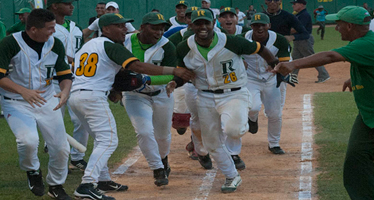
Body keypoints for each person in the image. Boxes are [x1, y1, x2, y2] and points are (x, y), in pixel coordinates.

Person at [70, 13, 194, 199]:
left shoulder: (88, 45)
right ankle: (87, 183)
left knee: (99, 139)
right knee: (109, 140)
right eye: (118, 26)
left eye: (124, 25)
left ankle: (103, 179)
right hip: (94, 97)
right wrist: (174, 70)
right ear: (105, 29)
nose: (124, 29)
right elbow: (138, 67)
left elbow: (102, 72)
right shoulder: (111, 45)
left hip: (77, 96)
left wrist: (114, 88)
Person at [168, 9, 279, 193]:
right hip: (205, 95)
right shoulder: (184, 47)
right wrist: (175, 81)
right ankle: (231, 175)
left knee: (233, 130)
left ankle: (248, 116)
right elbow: (184, 73)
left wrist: (275, 63)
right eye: (198, 23)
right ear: (191, 25)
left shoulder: (231, 41)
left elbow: (259, 48)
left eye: (206, 22)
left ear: (213, 23)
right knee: (211, 143)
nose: (202, 27)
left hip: (233, 93)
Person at [274, 6, 374, 200]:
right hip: (368, 115)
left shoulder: (365, 44)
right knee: (357, 160)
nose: (336, 28)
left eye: (339, 24)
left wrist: (294, 64)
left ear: (350, 26)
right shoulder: (365, 42)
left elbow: (330, 56)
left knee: (358, 162)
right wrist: (355, 78)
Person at [0, 9, 72, 199]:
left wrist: (65, 91)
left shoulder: (55, 43)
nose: (54, 31)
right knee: (28, 141)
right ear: (33, 29)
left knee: (60, 147)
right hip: (16, 101)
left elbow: (65, 75)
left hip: (47, 100)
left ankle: (56, 185)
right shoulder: (10, 42)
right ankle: (33, 170)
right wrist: (23, 91)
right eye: (50, 28)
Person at [122, 12, 177, 186]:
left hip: (161, 94)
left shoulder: (167, 46)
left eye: (162, 29)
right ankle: (157, 169)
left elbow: (171, 74)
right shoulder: (126, 42)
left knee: (163, 135)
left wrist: (147, 79)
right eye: (154, 28)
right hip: (134, 95)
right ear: (142, 27)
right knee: (144, 131)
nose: (159, 32)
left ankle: (163, 158)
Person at [46, 0, 87, 172]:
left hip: (76, 80)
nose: (72, 6)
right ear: (54, 5)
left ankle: (77, 158)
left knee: (82, 119)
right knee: (54, 122)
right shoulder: (47, 28)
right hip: (54, 81)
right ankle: (57, 159)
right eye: (67, 3)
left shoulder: (75, 27)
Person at [243, 13, 291, 154]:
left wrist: (278, 67)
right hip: (250, 78)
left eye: (263, 25)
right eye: (256, 25)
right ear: (251, 26)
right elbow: (233, 53)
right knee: (253, 107)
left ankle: (274, 143)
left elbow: (285, 62)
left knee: (275, 113)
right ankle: (252, 119)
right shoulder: (243, 39)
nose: (259, 28)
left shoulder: (279, 40)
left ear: (269, 25)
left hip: (271, 78)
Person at [290, 0, 330, 83]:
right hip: (298, 40)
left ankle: (324, 74)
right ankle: (293, 77)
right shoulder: (299, 15)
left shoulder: (304, 15)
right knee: (295, 58)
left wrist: (284, 31)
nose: (293, 6)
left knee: (312, 58)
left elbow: (297, 29)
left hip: (304, 40)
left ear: (301, 4)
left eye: (294, 4)